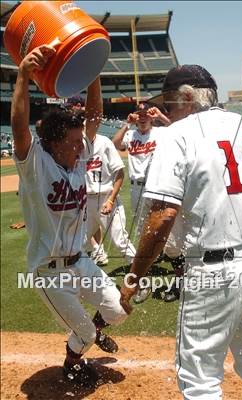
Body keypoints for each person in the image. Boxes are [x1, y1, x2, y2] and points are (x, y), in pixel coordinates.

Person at [120, 64, 242, 399]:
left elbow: (162, 217)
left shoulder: (177, 134)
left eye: (170, 104)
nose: (167, 113)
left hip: (215, 270)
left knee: (199, 380)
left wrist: (135, 276)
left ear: (187, 97)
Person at [11, 44, 127, 387]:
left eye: (81, 141)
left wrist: (93, 76)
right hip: (49, 271)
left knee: (118, 311)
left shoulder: (77, 160)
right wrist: (22, 77)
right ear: (54, 142)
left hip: (81, 262)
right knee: (86, 333)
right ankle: (73, 360)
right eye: (74, 142)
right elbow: (19, 127)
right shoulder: (36, 164)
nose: (82, 147)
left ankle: (88, 333)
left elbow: (94, 118)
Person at [113, 103, 185, 303]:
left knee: (168, 236)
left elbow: (181, 133)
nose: (143, 117)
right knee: (143, 238)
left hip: (158, 187)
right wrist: (126, 125)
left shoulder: (161, 133)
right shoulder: (130, 135)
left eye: (146, 114)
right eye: (139, 114)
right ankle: (143, 283)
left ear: (151, 116)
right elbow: (114, 144)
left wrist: (162, 116)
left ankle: (181, 279)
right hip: (137, 189)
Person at [83, 131, 136, 266]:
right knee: (77, 243)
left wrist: (111, 200)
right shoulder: (75, 144)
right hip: (85, 201)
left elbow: (119, 173)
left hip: (106, 198)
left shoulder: (104, 142)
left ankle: (140, 277)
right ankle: (82, 279)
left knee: (120, 241)